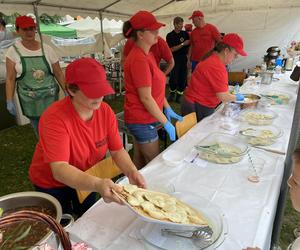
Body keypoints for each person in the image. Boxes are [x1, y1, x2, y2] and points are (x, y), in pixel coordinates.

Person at [29, 58, 146, 216]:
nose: (99, 96)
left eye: (101, 90)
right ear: (71, 90)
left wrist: (132, 172)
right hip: (51, 184)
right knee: (62, 224)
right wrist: (98, 184)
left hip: (86, 174)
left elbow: (117, 151)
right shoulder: (54, 118)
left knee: (87, 216)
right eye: (92, 92)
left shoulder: (105, 111)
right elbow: (60, 169)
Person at [123, 10, 182, 169]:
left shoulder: (147, 54)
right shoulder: (139, 59)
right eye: (153, 30)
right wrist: (166, 122)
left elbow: (155, 87)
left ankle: (134, 188)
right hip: (141, 119)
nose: (158, 32)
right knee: (154, 165)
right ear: (140, 34)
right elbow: (146, 98)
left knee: (141, 160)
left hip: (144, 117)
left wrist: (168, 108)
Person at [5, 16, 65, 135]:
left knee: (53, 127)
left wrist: (67, 90)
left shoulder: (47, 49)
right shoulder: (12, 51)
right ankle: (45, 149)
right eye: (25, 29)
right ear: (18, 31)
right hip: (30, 100)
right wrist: (9, 99)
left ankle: (54, 149)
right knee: (39, 130)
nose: (29, 32)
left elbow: (58, 72)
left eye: (32, 28)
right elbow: (10, 78)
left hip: (49, 97)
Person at [181, 33, 246, 122]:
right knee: (197, 134)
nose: (235, 58)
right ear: (226, 51)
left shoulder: (214, 59)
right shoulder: (216, 66)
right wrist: (237, 98)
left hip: (197, 102)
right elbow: (223, 97)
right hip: (197, 105)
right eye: (235, 55)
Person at [166, 16, 190, 103]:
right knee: (173, 77)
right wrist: (183, 44)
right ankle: (172, 93)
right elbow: (171, 49)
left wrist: (189, 58)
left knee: (183, 78)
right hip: (174, 59)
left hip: (184, 58)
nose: (181, 26)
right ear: (175, 24)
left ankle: (179, 95)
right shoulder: (170, 35)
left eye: (182, 24)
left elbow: (190, 46)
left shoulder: (185, 34)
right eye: (179, 24)